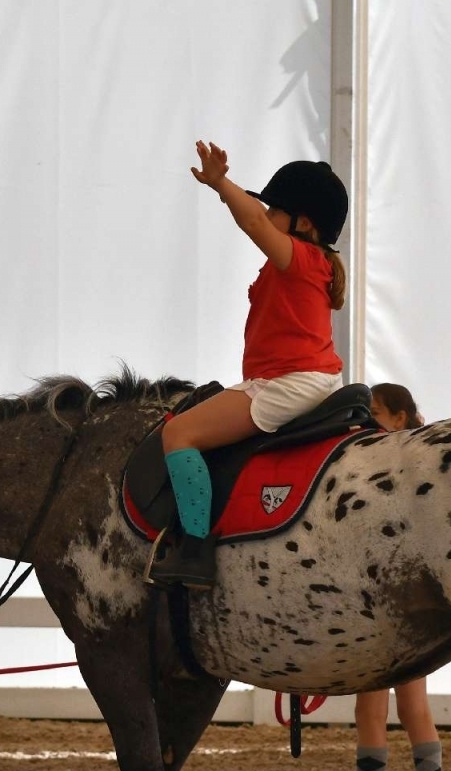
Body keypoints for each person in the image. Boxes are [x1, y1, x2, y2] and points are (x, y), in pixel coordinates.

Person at [148, 141, 349, 589]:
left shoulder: (299, 259)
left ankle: (196, 551)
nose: (268, 215)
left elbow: (253, 219)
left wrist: (221, 184)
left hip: (287, 383)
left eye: (278, 209)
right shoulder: (306, 266)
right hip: (305, 379)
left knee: (178, 433)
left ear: (305, 223)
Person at [308, 383, 449, 771]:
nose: (369, 421)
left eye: (377, 413)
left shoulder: (380, 467)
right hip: (419, 603)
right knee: (416, 710)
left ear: (401, 417)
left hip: (382, 601)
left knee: (371, 709)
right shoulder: (420, 466)